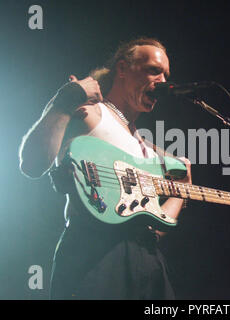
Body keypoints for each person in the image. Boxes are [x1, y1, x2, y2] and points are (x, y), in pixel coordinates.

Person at [19, 37, 192, 299]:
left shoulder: (146, 148)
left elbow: (156, 227)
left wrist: (181, 190)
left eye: (166, 75)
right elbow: (32, 164)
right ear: (122, 69)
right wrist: (65, 100)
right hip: (95, 254)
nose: (163, 82)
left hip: (147, 259)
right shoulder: (91, 112)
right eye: (153, 70)